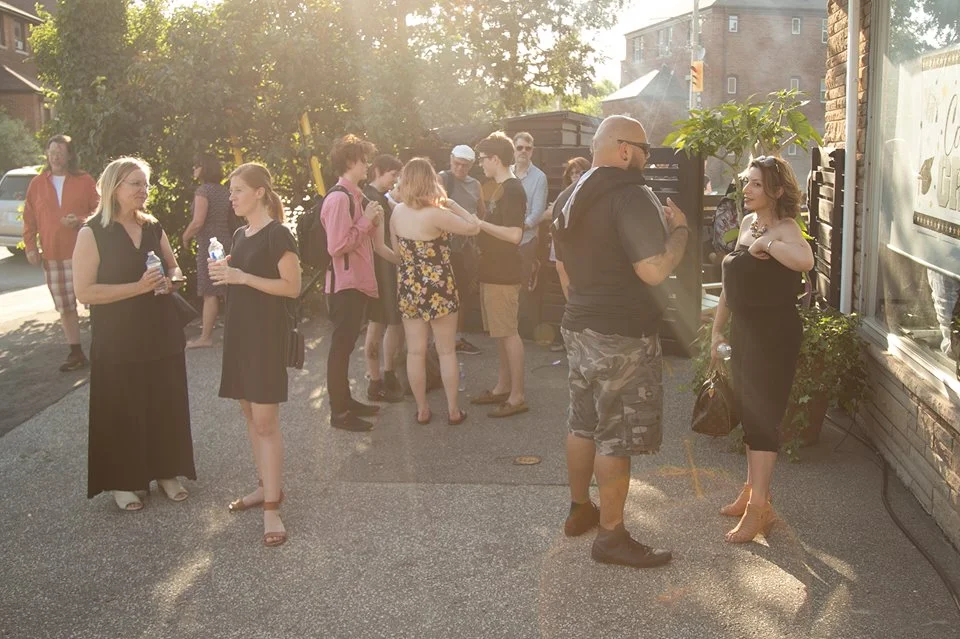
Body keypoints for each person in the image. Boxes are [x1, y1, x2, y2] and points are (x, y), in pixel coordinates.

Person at [553, 115, 688, 568]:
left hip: (579, 325)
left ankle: (580, 510)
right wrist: (681, 233)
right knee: (616, 437)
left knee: (582, 422)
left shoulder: (568, 196)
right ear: (626, 150)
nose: (649, 159)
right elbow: (652, 269)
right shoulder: (629, 195)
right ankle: (611, 536)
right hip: (621, 334)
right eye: (647, 150)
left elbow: (564, 274)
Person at [72, 157, 196, 512]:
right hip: (118, 336)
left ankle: (167, 472)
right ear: (114, 188)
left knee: (164, 403)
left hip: (160, 331)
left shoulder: (153, 227)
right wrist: (139, 287)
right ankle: (124, 480)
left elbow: (173, 266)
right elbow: (86, 292)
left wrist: (173, 279)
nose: (144, 190)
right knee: (122, 407)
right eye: (135, 184)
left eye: (145, 184)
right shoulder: (91, 233)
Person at [710, 155, 813, 543]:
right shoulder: (749, 224)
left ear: (777, 190)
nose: (747, 190)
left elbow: (806, 260)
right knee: (750, 415)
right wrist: (717, 331)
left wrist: (767, 243)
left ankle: (759, 511)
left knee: (763, 417)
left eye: (756, 184)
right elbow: (731, 283)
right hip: (745, 331)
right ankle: (754, 493)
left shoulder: (786, 229)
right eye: (747, 182)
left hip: (775, 334)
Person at [212, 162, 302, 548]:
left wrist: (242, 277)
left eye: (237, 190)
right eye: (230, 191)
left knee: (266, 422)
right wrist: (228, 269)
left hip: (265, 337)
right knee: (250, 415)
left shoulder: (278, 234)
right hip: (240, 334)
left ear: (260, 192)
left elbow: (292, 287)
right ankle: (265, 487)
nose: (231, 197)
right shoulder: (239, 234)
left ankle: (272, 507)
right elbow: (243, 276)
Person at [390, 158, 481, 425]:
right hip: (439, 287)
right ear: (430, 181)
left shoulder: (397, 213)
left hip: (409, 287)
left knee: (415, 352)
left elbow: (397, 253)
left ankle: (422, 410)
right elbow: (473, 226)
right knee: (446, 351)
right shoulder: (437, 214)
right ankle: (453, 410)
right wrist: (452, 203)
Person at [322, 135, 396, 432]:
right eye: (364, 160)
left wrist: (369, 220)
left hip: (355, 283)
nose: (368, 166)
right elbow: (337, 245)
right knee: (340, 349)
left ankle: (346, 402)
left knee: (345, 346)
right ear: (351, 161)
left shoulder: (354, 196)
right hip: (344, 286)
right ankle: (339, 412)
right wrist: (366, 220)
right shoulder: (340, 198)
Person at [23, 135, 100, 372]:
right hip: (53, 255)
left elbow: (100, 211)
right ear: (47, 154)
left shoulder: (84, 180)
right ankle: (76, 353)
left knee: (95, 301)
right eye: (52, 151)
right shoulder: (37, 184)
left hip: (83, 252)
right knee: (65, 306)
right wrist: (30, 246)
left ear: (69, 155)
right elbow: (29, 218)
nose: (55, 155)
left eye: (60, 151)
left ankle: (103, 348)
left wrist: (79, 220)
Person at [469, 132, 529, 418]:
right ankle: (503, 387)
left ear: (495, 159)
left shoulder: (513, 189)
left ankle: (517, 396)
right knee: (500, 333)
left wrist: (480, 224)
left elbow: (515, 234)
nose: (480, 164)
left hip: (504, 272)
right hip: (491, 270)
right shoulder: (496, 186)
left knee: (509, 333)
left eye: (482, 159)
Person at [363, 154, 405, 403]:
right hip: (381, 268)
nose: (395, 180)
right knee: (384, 323)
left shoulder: (376, 197)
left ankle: (379, 377)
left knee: (382, 322)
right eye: (392, 175)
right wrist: (402, 262)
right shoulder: (373, 198)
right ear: (378, 170)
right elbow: (378, 244)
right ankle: (380, 377)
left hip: (380, 267)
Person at [437, 145, 485, 356]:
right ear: (450, 159)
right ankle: (441, 341)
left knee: (463, 293)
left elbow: (481, 212)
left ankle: (457, 338)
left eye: (465, 166)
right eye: (456, 163)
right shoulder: (441, 179)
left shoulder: (475, 185)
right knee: (444, 293)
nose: (460, 168)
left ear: (471, 166)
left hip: (467, 248)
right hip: (444, 246)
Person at [182, 153, 232, 348]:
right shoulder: (223, 190)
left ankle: (205, 337)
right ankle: (239, 330)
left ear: (204, 168)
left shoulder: (203, 191)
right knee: (228, 287)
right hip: (226, 240)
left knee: (209, 291)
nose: (194, 169)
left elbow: (198, 222)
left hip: (210, 245)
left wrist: (185, 237)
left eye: (196, 165)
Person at [545, 157, 590, 352]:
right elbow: (549, 213)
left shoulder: (590, 193)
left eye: (579, 172)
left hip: (580, 248)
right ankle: (571, 331)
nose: (575, 176)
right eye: (572, 173)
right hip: (562, 244)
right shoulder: (564, 195)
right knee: (562, 272)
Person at [513, 132, 548, 293]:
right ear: (514, 150)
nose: (523, 151)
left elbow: (537, 213)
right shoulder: (507, 173)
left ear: (532, 151)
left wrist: (517, 229)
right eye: (519, 147)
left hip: (525, 242)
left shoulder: (540, 177)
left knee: (522, 287)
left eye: (528, 148)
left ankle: (521, 319)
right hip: (504, 242)